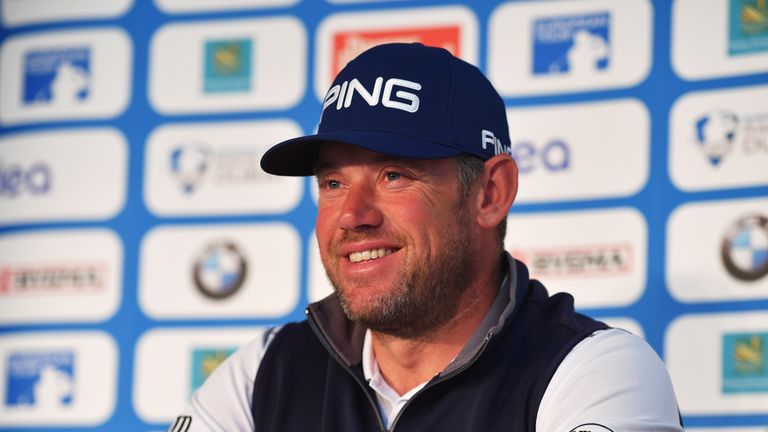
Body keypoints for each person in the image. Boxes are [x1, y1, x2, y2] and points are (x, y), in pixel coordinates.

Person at [170, 43, 682, 432]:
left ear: (491, 193)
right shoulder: (267, 371)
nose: (352, 215)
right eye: (332, 182)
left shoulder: (594, 372)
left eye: (394, 175)